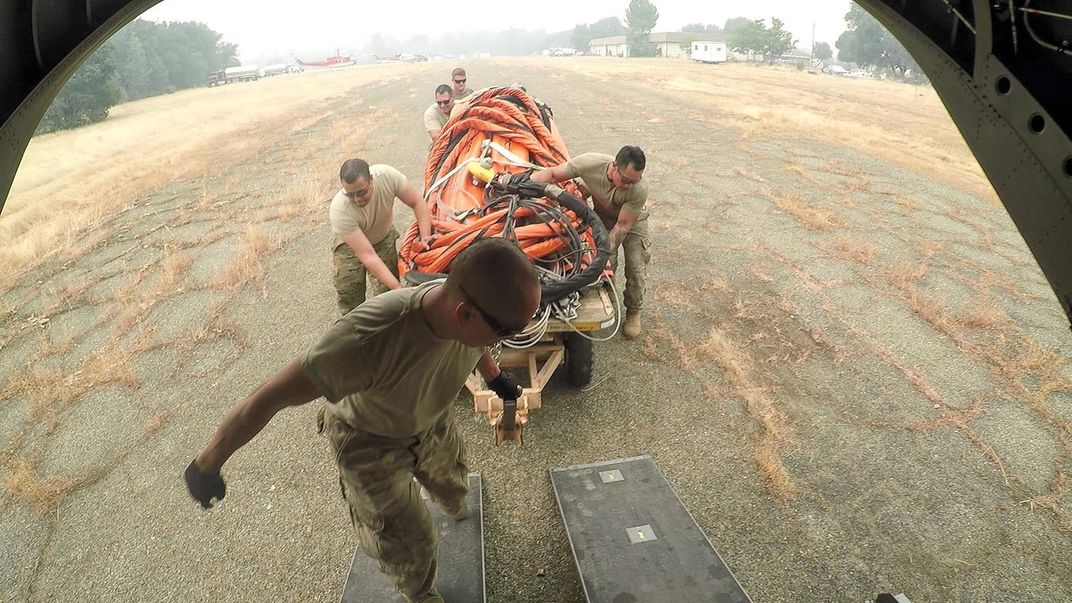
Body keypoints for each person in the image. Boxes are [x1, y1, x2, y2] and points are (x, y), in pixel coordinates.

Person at [184, 238, 540, 603]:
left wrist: (495, 377)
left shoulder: (461, 310)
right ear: (464, 313)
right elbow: (267, 398)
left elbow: (477, 342)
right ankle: (419, 593)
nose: (509, 340)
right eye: (507, 332)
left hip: (427, 416)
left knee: (453, 485)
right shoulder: (366, 340)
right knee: (409, 540)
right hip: (370, 441)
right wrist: (206, 465)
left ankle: (449, 504)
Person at [531, 145, 650, 338]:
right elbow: (552, 174)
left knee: (635, 267)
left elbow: (622, 227)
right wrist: (525, 185)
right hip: (603, 216)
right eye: (626, 180)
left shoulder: (639, 189)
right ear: (614, 166)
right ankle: (609, 296)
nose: (629, 186)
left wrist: (600, 255)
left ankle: (634, 311)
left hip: (632, 221)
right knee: (608, 264)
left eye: (634, 181)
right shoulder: (589, 163)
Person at [330, 158, 432, 315]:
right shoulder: (340, 209)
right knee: (350, 295)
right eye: (350, 194)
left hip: (382, 239)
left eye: (362, 192)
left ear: (371, 180)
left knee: (388, 297)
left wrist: (425, 236)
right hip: (350, 247)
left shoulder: (388, 177)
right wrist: (399, 289)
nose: (357, 199)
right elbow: (367, 255)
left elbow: (417, 202)